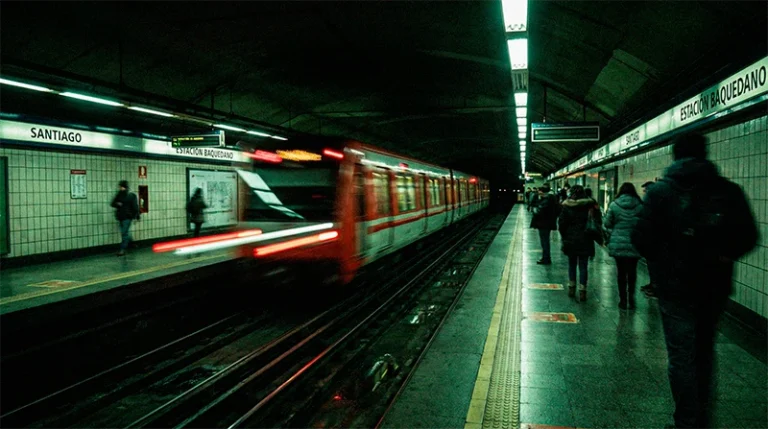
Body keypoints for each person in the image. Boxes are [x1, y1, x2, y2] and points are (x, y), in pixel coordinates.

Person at [631, 133, 758, 429]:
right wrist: (724, 255)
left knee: (681, 356)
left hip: (674, 289)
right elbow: (749, 235)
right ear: (706, 153)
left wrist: (663, 262)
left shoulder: (660, 192)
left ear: (675, 156)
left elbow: (640, 238)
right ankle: (702, 419)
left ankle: (687, 421)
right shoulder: (728, 191)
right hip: (714, 288)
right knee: (704, 353)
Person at [603, 182, 643, 309]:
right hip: (634, 242)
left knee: (621, 273)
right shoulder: (640, 205)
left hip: (618, 243)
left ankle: (622, 301)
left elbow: (607, 223)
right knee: (632, 272)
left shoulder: (614, 205)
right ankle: (631, 299)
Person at [559, 184, 597, 301]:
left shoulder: (567, 206)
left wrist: (564, 236)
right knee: (583, 266)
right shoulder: (590, 206)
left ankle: (571, 288)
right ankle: (582, 291)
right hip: (586, 239)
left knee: (571, 264)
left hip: (570, 239)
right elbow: (597, 222)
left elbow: (561, 224)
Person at [530, 185, 558, 265]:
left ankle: (546, 258)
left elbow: (540, 211)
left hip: (544, 224)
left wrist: (535, 209)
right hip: (546, 223)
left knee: (544, 242)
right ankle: (545, 257)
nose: (538, 192)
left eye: (539, 191)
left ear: (542, 191)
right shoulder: (550, 198)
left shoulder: (547, 199)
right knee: (545, 241)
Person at [639, 181, 658, 298]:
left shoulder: (653, 204)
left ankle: (656, 288)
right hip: (652, 240)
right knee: (651, 266)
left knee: (655, 266)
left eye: (645, 190)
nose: (644, 192)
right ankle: (652, 285)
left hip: (656, 241)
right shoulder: (650, 203)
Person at [111, 180, 140, 256]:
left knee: (124, 233)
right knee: (126, 232)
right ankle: (132, 244)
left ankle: (122, 249)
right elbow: (112, 203)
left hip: (127, 217)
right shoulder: (119, 194)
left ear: (124, 187)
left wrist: (137, 215)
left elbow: (135, 206)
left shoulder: (131, 195)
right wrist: (118, 204)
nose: (120, 188)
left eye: (121, 186)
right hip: (120, 216)